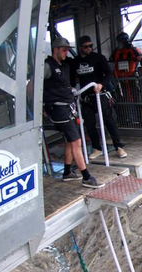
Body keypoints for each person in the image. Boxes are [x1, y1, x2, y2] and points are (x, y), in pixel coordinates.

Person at [43, 37, 104, 188]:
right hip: (58, 109)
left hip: (67, 108)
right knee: (76, 141)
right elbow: (34, 85)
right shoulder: (47, 66)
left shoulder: (63, 66)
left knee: (70, 141)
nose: (66, 52)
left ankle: (67, 172)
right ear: (55, 50)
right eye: (63, 50)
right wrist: (42, 107)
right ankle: (86, 177)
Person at [70, 35, 127, 160]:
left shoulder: (98, 58)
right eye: (86, 47)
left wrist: (101, 84)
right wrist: (73, 88)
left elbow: (108, 73)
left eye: (90, 46)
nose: (89, 48)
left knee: (108, 120)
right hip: (86, 96)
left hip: (99, 95)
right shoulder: (75, 61)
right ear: (80, 47)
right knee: (90, 123)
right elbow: (71, 77)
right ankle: (97, 147)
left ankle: (118, 146)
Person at [111, 32, 142, 126]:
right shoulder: (117, 51)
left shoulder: (133, 49)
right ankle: (123, 121)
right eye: (122, 41)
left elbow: (140, 57)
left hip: (132, 78)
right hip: (120, 80)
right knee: (121, 101)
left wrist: (131, 48)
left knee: (137, 99)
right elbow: (111, 59)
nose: (123, 43)